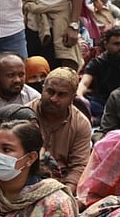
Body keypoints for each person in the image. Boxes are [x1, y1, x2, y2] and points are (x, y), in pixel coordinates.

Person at [32, 67, 94, 196]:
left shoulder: (80, 124)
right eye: (50, 91)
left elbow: (78, 167)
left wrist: (64, 195)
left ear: (72, 97)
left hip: (61, 185)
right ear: (42, 89)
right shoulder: (26, 114)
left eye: (61, 95)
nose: (53, 99)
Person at [79, 26, 120, 121]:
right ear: (106, 44)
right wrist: (80, 97)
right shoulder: (98, 62)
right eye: (116, 44)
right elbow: (84, 83)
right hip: (103, 102)